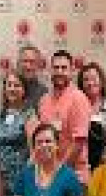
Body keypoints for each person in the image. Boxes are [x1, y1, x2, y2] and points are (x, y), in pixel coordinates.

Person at [38, 50, 93, 183]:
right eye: (56, 68)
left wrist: (59, 172)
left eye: (64, 68)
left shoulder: (78, 98)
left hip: (74, 174)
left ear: (71, 71)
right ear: (50, 70)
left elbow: (78, 142)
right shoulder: (44, 100)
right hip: (49, 174)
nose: (60, 72)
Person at [78, 62, 106, 170]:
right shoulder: (77, 107)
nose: (90, 83)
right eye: (86, 80)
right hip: (82, 166)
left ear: (101, 81)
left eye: (94, 78)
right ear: (81, 84)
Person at [17, 44, 48, 112]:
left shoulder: (44, 93)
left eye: (32, 61)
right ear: (19, 63)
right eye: (25, 61)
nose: (28, 66)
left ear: (38, 64)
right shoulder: (11, 89)